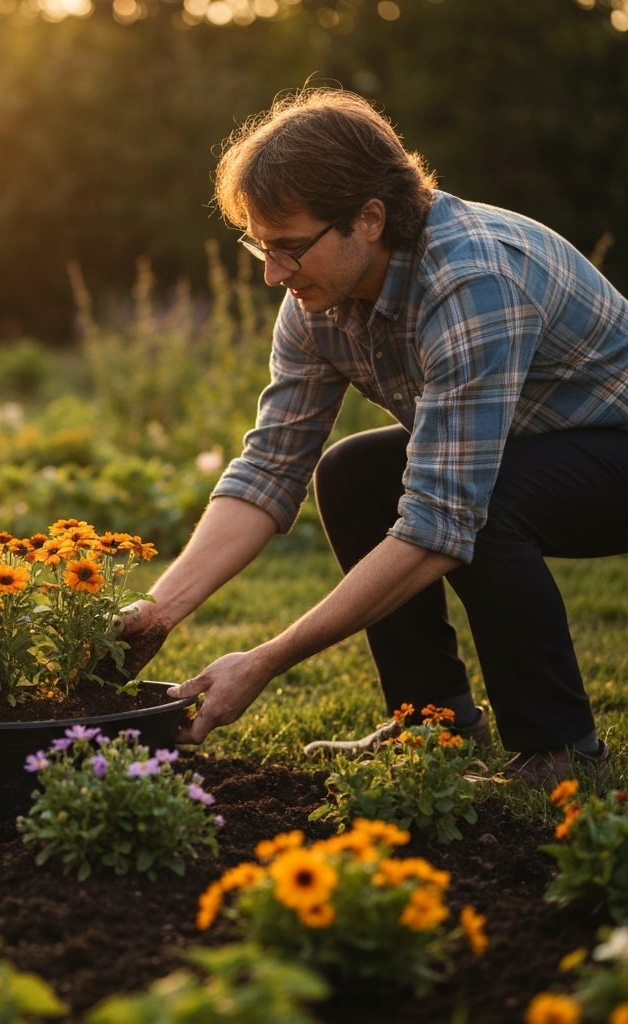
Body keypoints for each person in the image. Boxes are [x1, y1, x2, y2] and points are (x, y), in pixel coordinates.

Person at [119, 89, 628, 784]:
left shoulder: (472, 280)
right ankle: (432, 723)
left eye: (290, 248)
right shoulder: (316, 297)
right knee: (353, 473)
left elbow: (440, 525)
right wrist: (157, 612)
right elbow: (269, 469)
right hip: (540, 446)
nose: (273, 274)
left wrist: (264, 660)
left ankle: (562, 753)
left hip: (614, 447)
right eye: (260, 248)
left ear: (369, 218)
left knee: (486, 504)